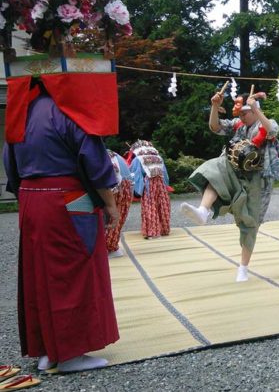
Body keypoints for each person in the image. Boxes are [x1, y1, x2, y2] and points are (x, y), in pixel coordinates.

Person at [3, 85, 120, 373]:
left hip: (31, 198)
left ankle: (47, 351)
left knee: (38, 274)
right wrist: (110, 204)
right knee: (74, 273)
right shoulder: (69, 110)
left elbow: (10, 162)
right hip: (67, 197)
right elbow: (93, 161)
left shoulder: (22, 110)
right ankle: (70, 354)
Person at [180, 91, 279, 282]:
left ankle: (243, 268)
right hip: (237, 173)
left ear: (254, 111)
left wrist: (255, 108)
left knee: (250, 223)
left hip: (259, 181)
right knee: (215, 167)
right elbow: (215, 126)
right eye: (241, 114)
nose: (242, 117)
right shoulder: (238, 126)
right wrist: (214, 106)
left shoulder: (265, 122)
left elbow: (272, 131)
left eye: (246, 113)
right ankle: (203, 211)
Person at [127, 140, 170, 239]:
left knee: (150, 206)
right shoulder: (158, 158)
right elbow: (165, 174)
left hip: (148, 184)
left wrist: (137, 190)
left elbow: (136, 175)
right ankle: (164, 229)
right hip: (161, 183)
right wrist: (166, 185)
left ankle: (152, 231)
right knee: (162, 205)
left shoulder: (138, 159)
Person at [105, 149, 135, 257]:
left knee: (107, 219)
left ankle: (106, 247)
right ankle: (112, 246)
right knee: (118, 217)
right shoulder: (115, 154)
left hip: (111, 187)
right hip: (126, 185)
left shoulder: (95, 155)